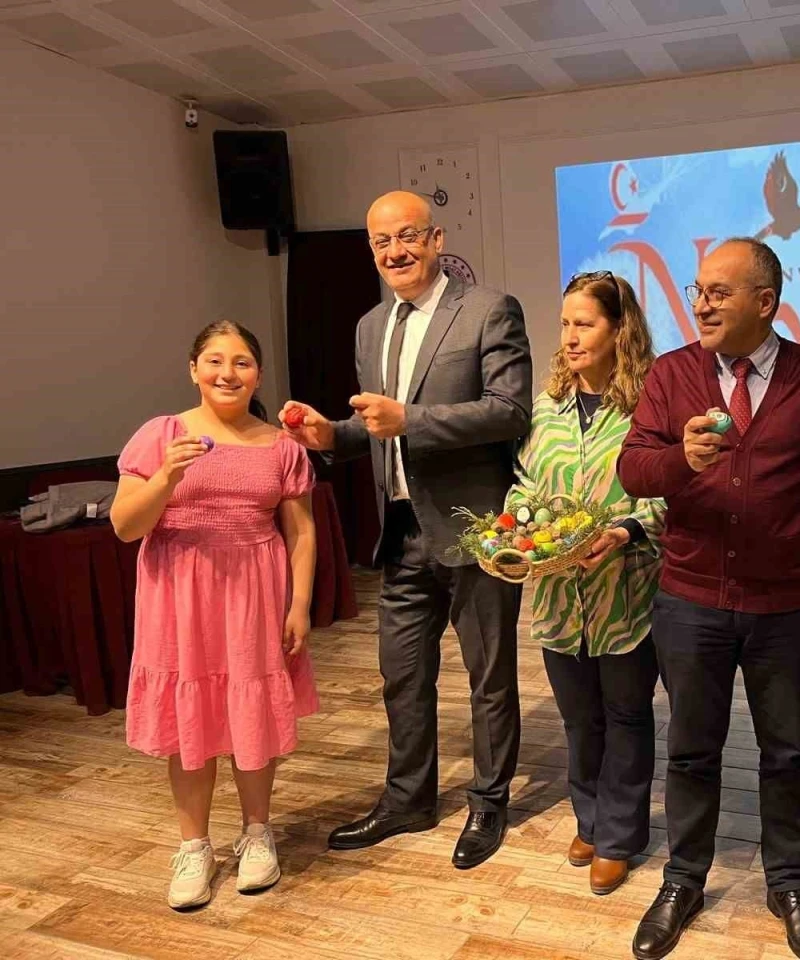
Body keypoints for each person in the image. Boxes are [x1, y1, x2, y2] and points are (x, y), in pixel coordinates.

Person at [617, 237, 800, 960]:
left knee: (787, 752)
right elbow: (632, 470)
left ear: (765, 303)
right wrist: (680, 459)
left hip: (786, 605)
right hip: (690, 602)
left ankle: (789, 884)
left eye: (719, 292)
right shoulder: (672, 373)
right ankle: (683, 880)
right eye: (698, 290)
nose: (701, 305)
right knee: (690, 750)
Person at [281, 190, 532, 870]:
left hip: (476, 532)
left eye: (408, 236)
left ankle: (488, 802)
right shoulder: (370, 326)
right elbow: (375, 425)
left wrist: (410, 421)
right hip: (400, 532)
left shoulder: (489, 309)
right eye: (382, 241)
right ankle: (408, 800)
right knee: (402, 675)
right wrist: (331, 435)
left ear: (436, 238)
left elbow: (510, 411)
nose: (396, 251)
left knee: (489, 678)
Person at [111, 320, 319, 911]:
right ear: (193, 369)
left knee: (253, 715)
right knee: (191, 721)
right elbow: (126, 526)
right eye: (215, 361)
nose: (228, 373)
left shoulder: (282, 446)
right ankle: (193, 846)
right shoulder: (161, 435)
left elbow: (302, 532)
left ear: (258, 374)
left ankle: (257, 833)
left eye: (242, 362)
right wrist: (166, 477)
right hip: (179, 599)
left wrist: (299, 604)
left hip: (255, 594)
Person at [505, 270, 664, 896]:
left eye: (585, 324)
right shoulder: (545, 407)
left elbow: (672, 492)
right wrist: (517, 526)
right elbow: (524, 483)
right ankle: (590, 819)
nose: (570, 337)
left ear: (619, 330)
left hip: (626, 595)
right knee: (579, 719)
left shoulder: (651, 406)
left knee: (625, 716)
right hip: (557, 599)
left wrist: (626, 530)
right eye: (565, 324)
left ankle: (620, 835)